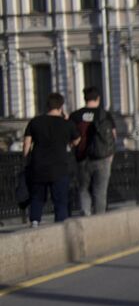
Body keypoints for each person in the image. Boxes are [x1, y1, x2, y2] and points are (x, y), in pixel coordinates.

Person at [22, 92, 79, 227]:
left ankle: (35, 221)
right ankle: (60, 225)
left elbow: (26, 144)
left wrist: (26, 159)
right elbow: (77, 139)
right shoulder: (67, 124)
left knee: (37, 197)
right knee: (60, 200)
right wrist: (69, 144)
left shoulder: (35, 122)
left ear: (46, 106)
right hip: (59, 167)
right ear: (61, 107)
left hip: (38, 166)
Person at [70, 87, 118, 215]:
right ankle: (99, 221)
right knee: (100, 192)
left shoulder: (75, 116)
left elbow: (71, 138)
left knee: (83, 189)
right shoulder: (104, 114)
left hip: (82, 159)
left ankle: (85, 215)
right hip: (102, 158)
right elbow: (113, 136)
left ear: (85, 98)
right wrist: (110, 155)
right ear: (98, 99)